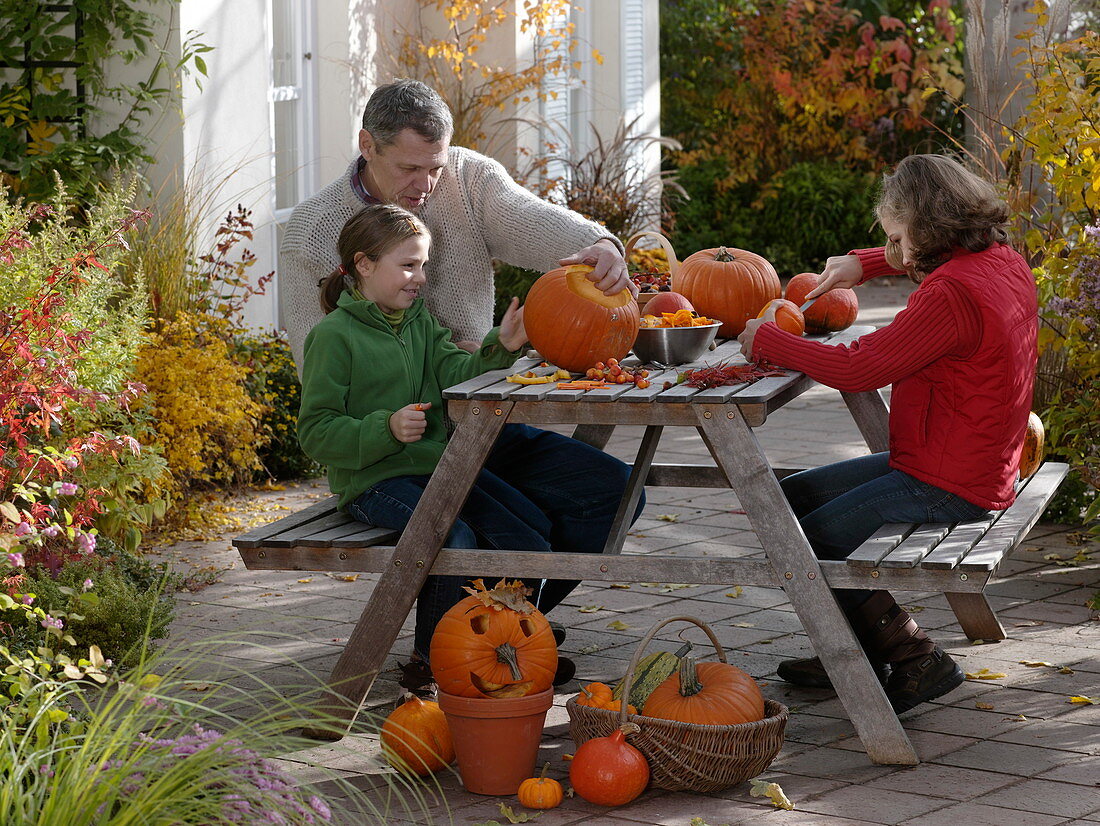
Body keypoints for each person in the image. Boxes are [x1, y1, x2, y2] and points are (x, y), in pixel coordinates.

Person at [297, 203, 642, 699]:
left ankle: (502, 641)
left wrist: (500, 345)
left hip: (435, 468)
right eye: (409, 265)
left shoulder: (418, 321)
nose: (420, 277)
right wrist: (385, 427)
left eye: (424, 265)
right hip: (374, 481)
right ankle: (432, 665)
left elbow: (456, 376)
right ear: (364, 265)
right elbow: (315, 432)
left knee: (532, 536)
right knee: (452, 536)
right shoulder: (333, 337)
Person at [737, 154, 1038, 714]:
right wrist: (864, 263)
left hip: (949, 480)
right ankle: (854, 648)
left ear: (925, 228)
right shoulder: (1002, 262)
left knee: (800, 536)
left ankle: (914, 655)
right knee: (785, 501)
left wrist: (765, 340)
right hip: (965, 460)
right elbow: (940, 260)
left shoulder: (949, 295)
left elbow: (857, 367)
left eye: (898, 236)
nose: (896, 248)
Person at [280, 78, 633, 371]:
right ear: (367, 146)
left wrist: (599, 245)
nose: (426, 185)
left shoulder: (468, 177)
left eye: (435, 168)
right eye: (409, 169)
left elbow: (531, 219)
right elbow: (317, 372)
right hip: (385, 439)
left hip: (481, 400)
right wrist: (439, 366)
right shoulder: (311, 231)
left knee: (598, 461)